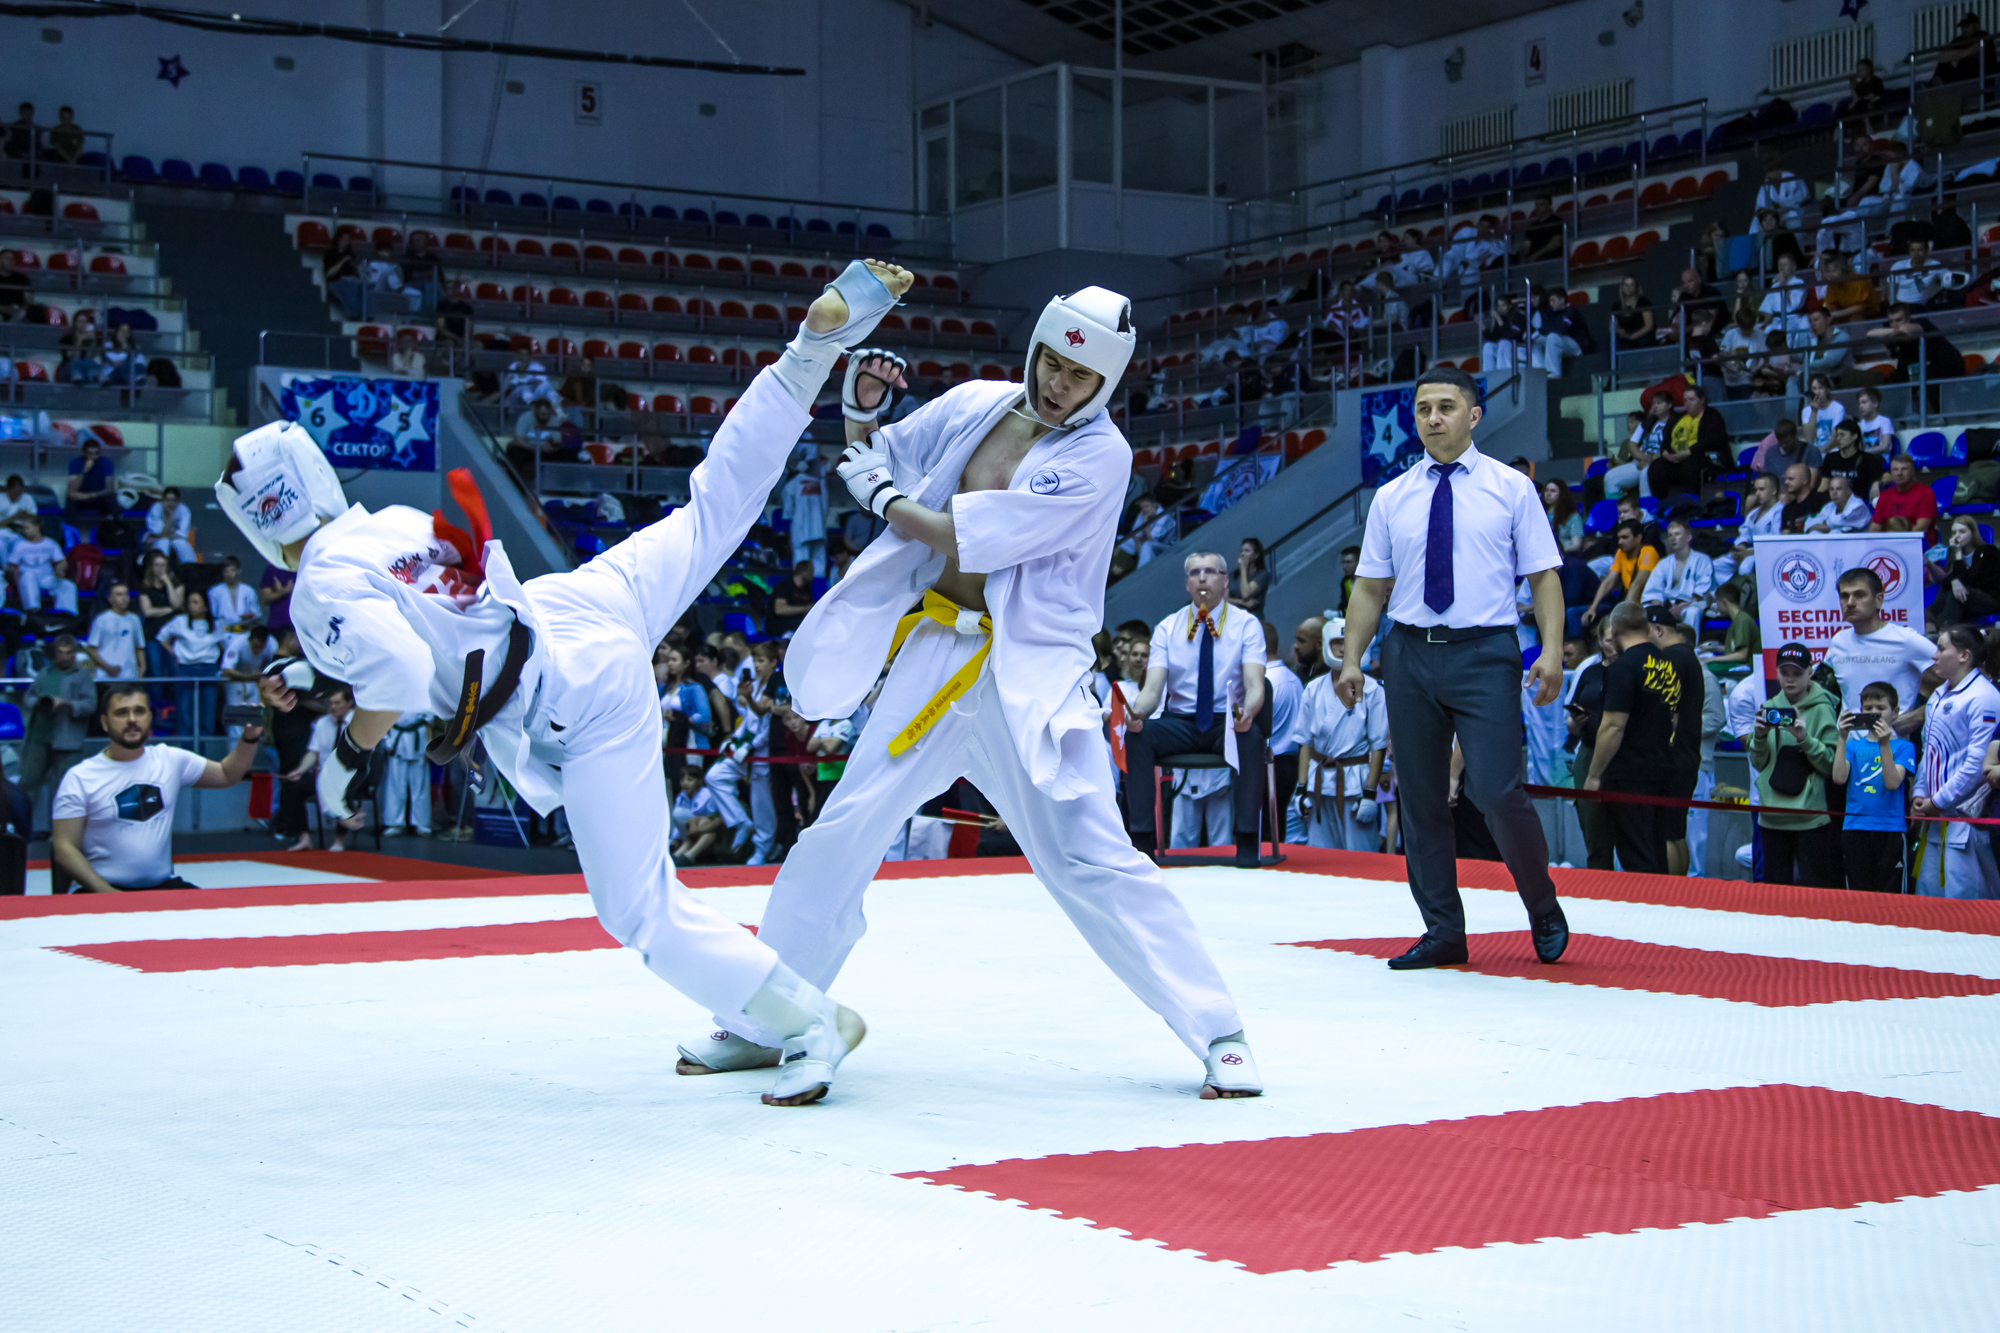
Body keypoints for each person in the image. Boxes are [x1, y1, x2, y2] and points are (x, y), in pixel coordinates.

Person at [233, 258, 915, 1108]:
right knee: (712, 509)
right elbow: (426, 626)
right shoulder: (387, 523)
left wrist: (346, 750)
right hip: (575, 608)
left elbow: (403, 670)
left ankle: (811, 1021)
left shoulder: (316, 588)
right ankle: (808, 353)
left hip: (572, 694)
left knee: (639, 908)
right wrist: (314, 671)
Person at [690, 285, 1264, 1101]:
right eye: (1051, 362)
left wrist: (882, 495)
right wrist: (860, 408)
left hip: (1031, 675)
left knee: (1092, 857)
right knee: (838, 833)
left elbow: (956, 529)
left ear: (1107, 382)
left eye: (1079, 375)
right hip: (936, 656)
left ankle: (1220, 1032)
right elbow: (875, 458)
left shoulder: (1102, 455)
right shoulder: (975, 404)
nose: (1058, 383)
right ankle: (764, 1020)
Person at [1339, 366, 1568, 969]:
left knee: (1496, 791)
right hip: (1409, 652)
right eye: (1423, 409)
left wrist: (1550, 651)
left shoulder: (1511, 488)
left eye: (1445, 406)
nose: (1433, 418)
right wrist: (1352, 659)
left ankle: (1542, 903)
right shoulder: (1392, 497)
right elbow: (1370, 588)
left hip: (1485, 652)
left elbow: (1543, 577)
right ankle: (1443, 930)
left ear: (1474, 415)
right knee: (1419, 798)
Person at [1123, 551, 1270, 864]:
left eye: (1210, 571)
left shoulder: (1247, 625)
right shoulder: (1167, 627)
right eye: (1194, 573)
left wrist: (1249, 711)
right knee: (1138, 735)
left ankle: (1246, 840)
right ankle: (1142, 841)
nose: (1202, 578)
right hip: (1180, 722)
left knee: (1251, 736)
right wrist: (1137, 712)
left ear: (1226, 581)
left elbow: (1255, 684)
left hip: (1227, 722)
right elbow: (1152, 690)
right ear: (1187, 584)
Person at [51, 685, 264, 893]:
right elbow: (64, 847)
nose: (132, 719)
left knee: (216, 911)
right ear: (105, 723)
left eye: (139, 711)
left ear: (150, 718)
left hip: (161, 886)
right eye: (122, 713)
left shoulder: (169, 759)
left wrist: (250, 737)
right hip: (99, 890)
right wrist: (107, 893)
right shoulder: (80, 777)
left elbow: (227, 774)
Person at [1578, 603, 1679, 874]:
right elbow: (1674, 717)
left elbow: (1613, 726)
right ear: (1646, 626)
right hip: (1662, 767)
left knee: (1637, 857)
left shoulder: (1622, 668)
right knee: (1655, 851)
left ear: (1614, 629)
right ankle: (1661, 899)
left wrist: (1594, 775)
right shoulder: (1667, 663)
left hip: (1630, 775)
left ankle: (1647, 901)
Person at [1913, 626, 2000, 898]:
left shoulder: (1984, 696)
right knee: (1928, 900)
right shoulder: (1937, 695)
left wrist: (1938, 801)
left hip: (1968, 820)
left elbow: (1977, 764)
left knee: (1965, 903)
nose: (1934, 656)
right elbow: (1928, 752)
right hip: (1935, 817)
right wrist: (1919, 794)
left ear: (1964, 655)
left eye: (1941, 648)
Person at [1750, 642, 1841, 888]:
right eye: (1784, 672)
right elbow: (1759, 763)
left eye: (1797, 673)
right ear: (1776, 673)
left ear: (1810, 672)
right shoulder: (1770, 708)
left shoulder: (1823, 708)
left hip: (1810, 815)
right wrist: (1759, 737)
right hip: (1772, 814)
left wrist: (1805, 739)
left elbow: (1831, 765)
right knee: (1774, 890)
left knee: (1814, 891)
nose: (1790, 679)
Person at [1297, 624, 1386, 850]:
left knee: (1360, 854)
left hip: (1355, 782)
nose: (1343, 649)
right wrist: (1301, 788)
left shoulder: (1373, 690)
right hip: (1318, 781)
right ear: (1325, 645)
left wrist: (1370, 793)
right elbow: (1305, 742)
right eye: (1337, 642)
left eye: (1348, 643)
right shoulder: (1313, 689)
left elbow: (1378, 746)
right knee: (1320, 855)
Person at [1821, 566, 1936, 719]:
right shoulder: (1839, 641)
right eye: (1844, 596)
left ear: (1878, 600)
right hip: (1848, 734)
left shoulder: (1905, 639)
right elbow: (1822, 690)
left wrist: (1918, 716)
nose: (1850, 603)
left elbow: (1958, 678)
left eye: (1859, 595)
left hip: (1892, 734)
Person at [1833, 682, 1914, 894]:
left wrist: (1884, 744)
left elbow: (1892, 783)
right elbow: (1839, 778)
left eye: (1881, 708)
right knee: (1859, 893)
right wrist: (1842, 737)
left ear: (1895, 712)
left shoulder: (1904, 747)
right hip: (1855, 827)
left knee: (1892, 893)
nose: (1874, 713)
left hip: (1891, 829)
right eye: (1868, 709)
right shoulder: (1852, 746)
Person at [1647, 608, 1708, 875]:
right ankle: (1679, 888)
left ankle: (1668, 890)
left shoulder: (1670, 658)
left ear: (1658, 630)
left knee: (1665, 833)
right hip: (1687, 753)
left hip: (1672, 755)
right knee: (1676, 831)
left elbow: (1665, 707)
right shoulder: (1688, 656)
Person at [20, 634, 97, 834]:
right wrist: (38, 702)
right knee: (28, 784)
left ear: (74, 654)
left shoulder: (82, 676)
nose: (64, 656)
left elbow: (91, 705)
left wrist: (67, 704)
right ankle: (25, 829)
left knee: (66, 791)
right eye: (61, 653)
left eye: (68, 652)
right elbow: (28, 697)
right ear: (55, 653)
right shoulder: (44, 674)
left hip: (67, 740)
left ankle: (64, 835)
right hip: (40, 737)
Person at [156, 587, 228, 737]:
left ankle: (204, 749)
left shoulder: (217, 624)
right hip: (185, 669)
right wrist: (174, 653)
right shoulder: (180, 621)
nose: (191, 606)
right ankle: (186, 748)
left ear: (205, 606)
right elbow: (162, 637)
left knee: (207, 713)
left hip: (208, 669)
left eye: (196, 602)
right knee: (185, 712)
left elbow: (224, 645)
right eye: (189, 603)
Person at [1650, 383, 1732, 500]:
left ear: (1702, 400)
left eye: (1692, 399)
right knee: (1657, 466)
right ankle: (1661, 503)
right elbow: (1666, 440)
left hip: (1705, 459)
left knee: (1691, 463)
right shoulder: (1679, 418)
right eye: (1685, 400)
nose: (1687, 403)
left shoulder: (1712, 416)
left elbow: (1712, 440)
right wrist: (1665, 453)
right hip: (1678, 459)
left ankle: (1693, 502)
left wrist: (1688, 452)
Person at [1581, 519, 1657, 627]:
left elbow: (1637, 584)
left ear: (1638, 538)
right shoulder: (1620, 553)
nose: (1620, 542)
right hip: (1629, 604)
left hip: (1646, 606)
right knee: (1579, 614)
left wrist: (1624, 615)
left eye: (1625, 537)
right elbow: (1609, 581)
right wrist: (1593, 608)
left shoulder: (1648, 552)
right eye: (1619, 538)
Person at [1641, 519, 1714, 630]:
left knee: (1692, 612)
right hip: (1668, 607)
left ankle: (1690, 641)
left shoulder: (1702, 560)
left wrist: (1681, 607)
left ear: (1688, 537)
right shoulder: (1664, 563)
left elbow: (1702, 594)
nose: (1673, 538)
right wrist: (1659, 608)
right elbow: (1654, 591)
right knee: (1651, 613)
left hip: (1693, 605)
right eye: (1670, 535)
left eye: (1677, 534)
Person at [1935, 515, 2000, 624]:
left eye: (1962, 532)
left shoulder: (1987, 551)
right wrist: (1954, 580)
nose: (1957, 536)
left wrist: (1958, 555)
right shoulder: (1953, 552)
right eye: (1954, 533)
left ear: (1972, 533)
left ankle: (1946, 629)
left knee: (1954, 594)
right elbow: (1946, 581)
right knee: (1940, 600)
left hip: (1991, 599)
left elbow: (1972, 579)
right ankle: (1931, 629)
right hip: (1968, 599)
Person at [377, 711, 432, 837]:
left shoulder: (423, 699)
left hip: (419, 738)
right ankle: (394, 823)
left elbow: (429, 722)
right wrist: (387, 739)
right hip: (396, 737)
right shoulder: (392, 699)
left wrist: (429, 745)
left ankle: (422, 824)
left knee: (420, 785)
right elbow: (384, 716)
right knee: (395, 785)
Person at [83, 582, 144, 683]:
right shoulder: (101, 619)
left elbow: (140, 647)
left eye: (126, 594)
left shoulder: (135, 620)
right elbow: (91, 649)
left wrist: (142, 669)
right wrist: (107, 668)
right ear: (110, 599)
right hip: (105, 677)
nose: (124, 598)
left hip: (130, 675)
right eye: (119, 594)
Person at [1871, 453, 1937, 539]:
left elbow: (1921, 528)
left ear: (1913, 471)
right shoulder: (1884, 496)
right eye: (1895, 469)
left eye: (1904, 469)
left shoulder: (1926, 493)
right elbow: (1875, 528)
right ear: (1891, 472)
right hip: (1889, 543)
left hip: (1919, 543)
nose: (1899, 473)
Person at [670, 764, 727, 863]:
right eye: (682, 780)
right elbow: (677, 823)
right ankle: (681, 855)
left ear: (699, 781)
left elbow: (715, 819)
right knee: (677, 813)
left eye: (689, 780)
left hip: (710, 829)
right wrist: (675, 838)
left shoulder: (707, 794)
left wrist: (696, 827)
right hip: (692, 832)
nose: (685, 783)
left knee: (703, 821)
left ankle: (688, 855)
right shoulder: (681, 797)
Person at [1821, 420, 1887, 500]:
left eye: (1842, 435)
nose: (1838, 439)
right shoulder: (1830, 458)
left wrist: (1876, 483)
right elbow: (1824, 484)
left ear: (1854, 436)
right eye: (1837, 435)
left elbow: (1887, 476)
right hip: (1834, 502)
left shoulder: (1867, 459)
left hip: (1857, 502)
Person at [144, 485, 197, 563]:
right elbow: (159, 534)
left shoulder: (183, 509)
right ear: (163, 499)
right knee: (164, 542)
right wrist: (168, 517)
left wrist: (168, 534)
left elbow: (181, 535)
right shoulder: (156, 508)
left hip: (176, 539)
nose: (170, 503)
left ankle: (189, 567)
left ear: (178, 501)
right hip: (157, 540)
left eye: (173, 500)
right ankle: (162, 568)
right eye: (167, 500)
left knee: (182, 544)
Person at [208, 556, 260, 632]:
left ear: (238, 571)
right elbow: (213, 615)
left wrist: (247, 620)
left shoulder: (249, 591)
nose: (229, 574)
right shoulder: (214, 592)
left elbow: (256, 615)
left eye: (232, 570)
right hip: (222, 632)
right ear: (223, 572)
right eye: (226, 571)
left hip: (244, 632)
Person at [1807, 474, 1872, 534]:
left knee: (1835, 532)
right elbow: (1809, 524)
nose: (1834, 493)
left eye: (1838, 489)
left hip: (1860, 542)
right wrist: (1827, 527)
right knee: (1814, 533)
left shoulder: (1858, 505)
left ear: (1848, 491)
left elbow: (1842, 521)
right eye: (1832, 489)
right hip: (1836, 541)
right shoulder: (1829, 506)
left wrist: (1825, 523)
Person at [1610, 274, 1656, 351]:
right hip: (1624, 338)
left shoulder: (1644, 302)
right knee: (1611, 339)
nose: (1629, 288)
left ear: (1636, 287)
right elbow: (1612, 326)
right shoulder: (1616, 306)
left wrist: (1632, 337)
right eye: (1626, 285)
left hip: (1642, 336)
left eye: (1632, 285)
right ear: (1622, 287)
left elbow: (1649, 326)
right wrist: (1620, 332)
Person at [1229, 537, 1268, 616]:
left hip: (1253, 616)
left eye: (1247, 551)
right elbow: (1221, 598)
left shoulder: (1261, 575)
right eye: (1241, 551)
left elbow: (1246, 594)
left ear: (1256, 555)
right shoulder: (1234, 575)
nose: (1242, 554)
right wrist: (1240, 602)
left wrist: (1243, 569)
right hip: (1234, 616)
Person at [1853, 387, 1898, 457]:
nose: (1860, 406)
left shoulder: (1884, 421)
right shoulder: (1859, 425)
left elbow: (1885, 447)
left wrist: (1864, 452)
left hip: (1880, 460)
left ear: (1875, 404)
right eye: (1859, 403)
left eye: (1864, 402)